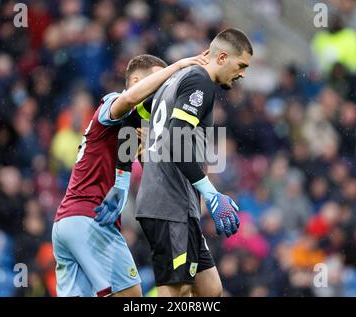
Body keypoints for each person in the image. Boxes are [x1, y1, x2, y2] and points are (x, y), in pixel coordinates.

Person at [97, 28, 253, 297]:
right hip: (169, 203)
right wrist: (210, 192)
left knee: (210, 289)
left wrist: (122, 183)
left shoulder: (174, 82)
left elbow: (130, 121)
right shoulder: (199, 82)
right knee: (178, 290)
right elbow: (174, 141)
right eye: (241, 65)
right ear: (223, 57)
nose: (242, 74)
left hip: (177, 203)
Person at [52, 53, 209, 297]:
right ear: (136, 80)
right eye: (157, 81)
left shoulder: (132, 129)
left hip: (67, 222)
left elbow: (153, 179)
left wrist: (148, 152)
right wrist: (178, 66)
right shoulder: (112, 103)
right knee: (132, 296)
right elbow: (130, 98)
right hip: (90, 219)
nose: (161, 90)